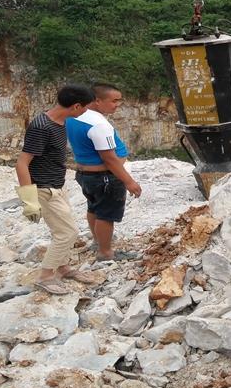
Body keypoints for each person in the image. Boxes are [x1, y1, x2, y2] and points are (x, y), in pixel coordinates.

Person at [15, 83, 96, 294]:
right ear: (76, 106)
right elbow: (22, 163)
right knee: (68, 233)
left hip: (57, 186)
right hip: (44, 189)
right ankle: (46, 276)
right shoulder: (42, 127)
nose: (86, 111)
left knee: (62, 230)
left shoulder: (60, 122)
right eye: (85, 107)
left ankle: (62, 267)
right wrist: (29, 201)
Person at [66, 82, 142, 261]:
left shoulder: (74, 117)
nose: (117, 105)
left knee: (94, 208)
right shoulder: (98, 124)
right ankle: (106, 252)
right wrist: (129, 181)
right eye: (114, 101)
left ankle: (98, 241)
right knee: (106, 214)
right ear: (97, 101)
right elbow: (109, 158)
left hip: (86, 175)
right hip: (104, 177)